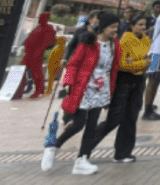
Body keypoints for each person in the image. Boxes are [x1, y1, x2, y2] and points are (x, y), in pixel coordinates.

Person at [42, 12, 121, 175]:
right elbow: (73, 64)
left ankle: (82, 160)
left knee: (92, 126)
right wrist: (68, 82)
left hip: (101, 89)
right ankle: (53, 146)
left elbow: (113, 69)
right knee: (78, 123)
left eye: (117, 28)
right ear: (104, 27)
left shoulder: (115, 45)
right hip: (84, 87)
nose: (116, 31)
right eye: (113, 27)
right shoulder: (88, 42)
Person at [88, 13, 150, 163]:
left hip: (139, 82)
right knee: (114, 118)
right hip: (124, 82)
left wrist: (137, 63)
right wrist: (141, 64)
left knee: (131, 118)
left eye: (144, 24)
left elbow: (150, 61)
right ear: (132, 26)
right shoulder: (125, 39)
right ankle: (86, 148)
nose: (142, 27)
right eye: (139, 24)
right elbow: (123, 64)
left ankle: (123, 153)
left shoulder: (147, 40)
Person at [23, 13, 56, 99]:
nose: (39, 19)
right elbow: (30, 38)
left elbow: (47, 42)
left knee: (36, 72)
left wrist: (39, 51)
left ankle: (38, 90)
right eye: (39, 17)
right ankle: (24, 87)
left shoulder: (48, 28)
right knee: (23, 70)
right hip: (29, 52)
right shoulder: (38, 27)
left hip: (36, 53)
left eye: (41, 18)